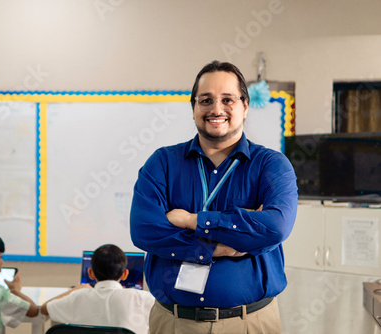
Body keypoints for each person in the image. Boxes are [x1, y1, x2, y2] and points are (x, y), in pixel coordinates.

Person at [130, 60, 298, 333]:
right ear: (194, 108)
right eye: (206, 100)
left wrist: (190, 220)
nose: (216, 109)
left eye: (227, 100)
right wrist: (217, 247)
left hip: (250, 323)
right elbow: (144, 230)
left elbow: (275, 226)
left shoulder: (271, 165)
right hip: (173, 323)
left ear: (245, 106)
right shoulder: (162, 163)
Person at [41, 244, 155, 334]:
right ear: (125, 274)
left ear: (90, 273)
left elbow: (44, 309)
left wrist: (76, 289)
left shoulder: (78, 296)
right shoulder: (143, 298)